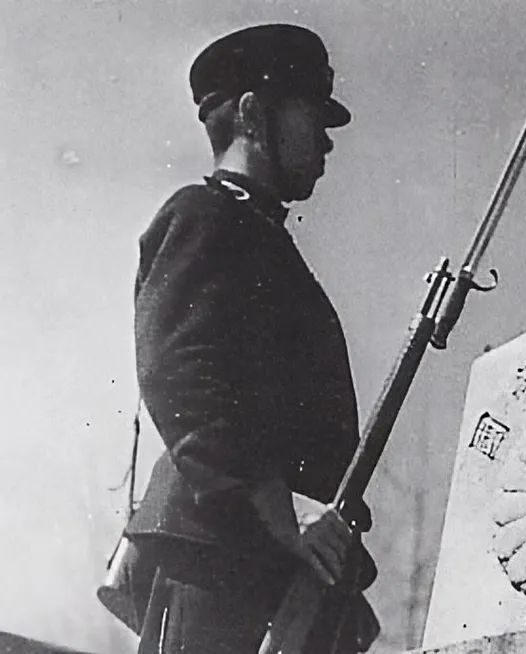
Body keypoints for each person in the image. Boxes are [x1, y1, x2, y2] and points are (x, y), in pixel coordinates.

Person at [121, 23, 377, 653]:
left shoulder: (261, 237)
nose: (326, 139)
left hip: (278, 574)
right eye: (311, 114)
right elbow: (178, 374)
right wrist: (278, 506)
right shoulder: (203, 216)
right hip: (220, 566)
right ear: (254, 115)